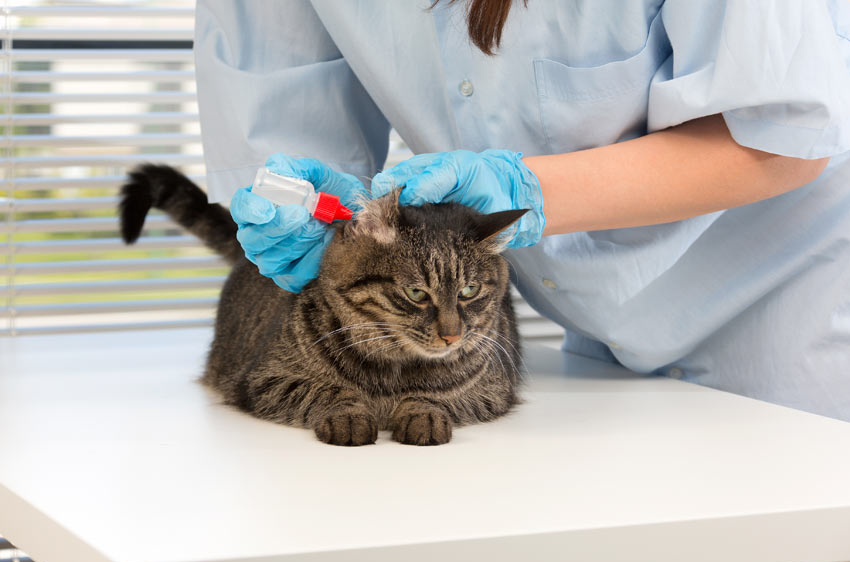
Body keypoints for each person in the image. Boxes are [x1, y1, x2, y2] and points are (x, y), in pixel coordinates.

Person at [193, 1, 850, 421]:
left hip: (784, 310)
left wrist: (528, 189)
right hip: (598, 351)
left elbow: (782, 135)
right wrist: (314, 227)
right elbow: (283, 144)